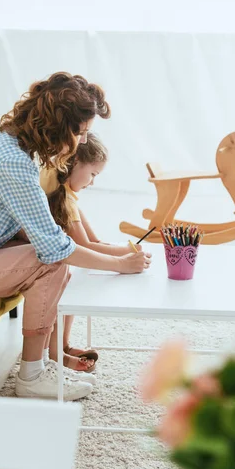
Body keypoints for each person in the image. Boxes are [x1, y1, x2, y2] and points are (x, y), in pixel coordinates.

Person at [0, 72, 151, 401]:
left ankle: (50, 357)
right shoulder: (13, 163)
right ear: (59, 125)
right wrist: (119, 264)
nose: (83, 141)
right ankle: (32, 374)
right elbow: (54, 248)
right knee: (52, 263)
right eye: (80, 132)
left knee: (49, 255)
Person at [37, 133, 142, 373]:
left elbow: (94, 240)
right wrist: (123, 261)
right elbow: (83, 246)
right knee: (65, 286)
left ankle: (61, 345)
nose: (92, 182)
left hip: (58, 258)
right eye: (93, 174)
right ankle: (56, 353)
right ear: (72, 164)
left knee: (69, 284)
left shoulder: (69, 195)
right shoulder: (62, 198)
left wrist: (128, 251)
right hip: (44, 261)